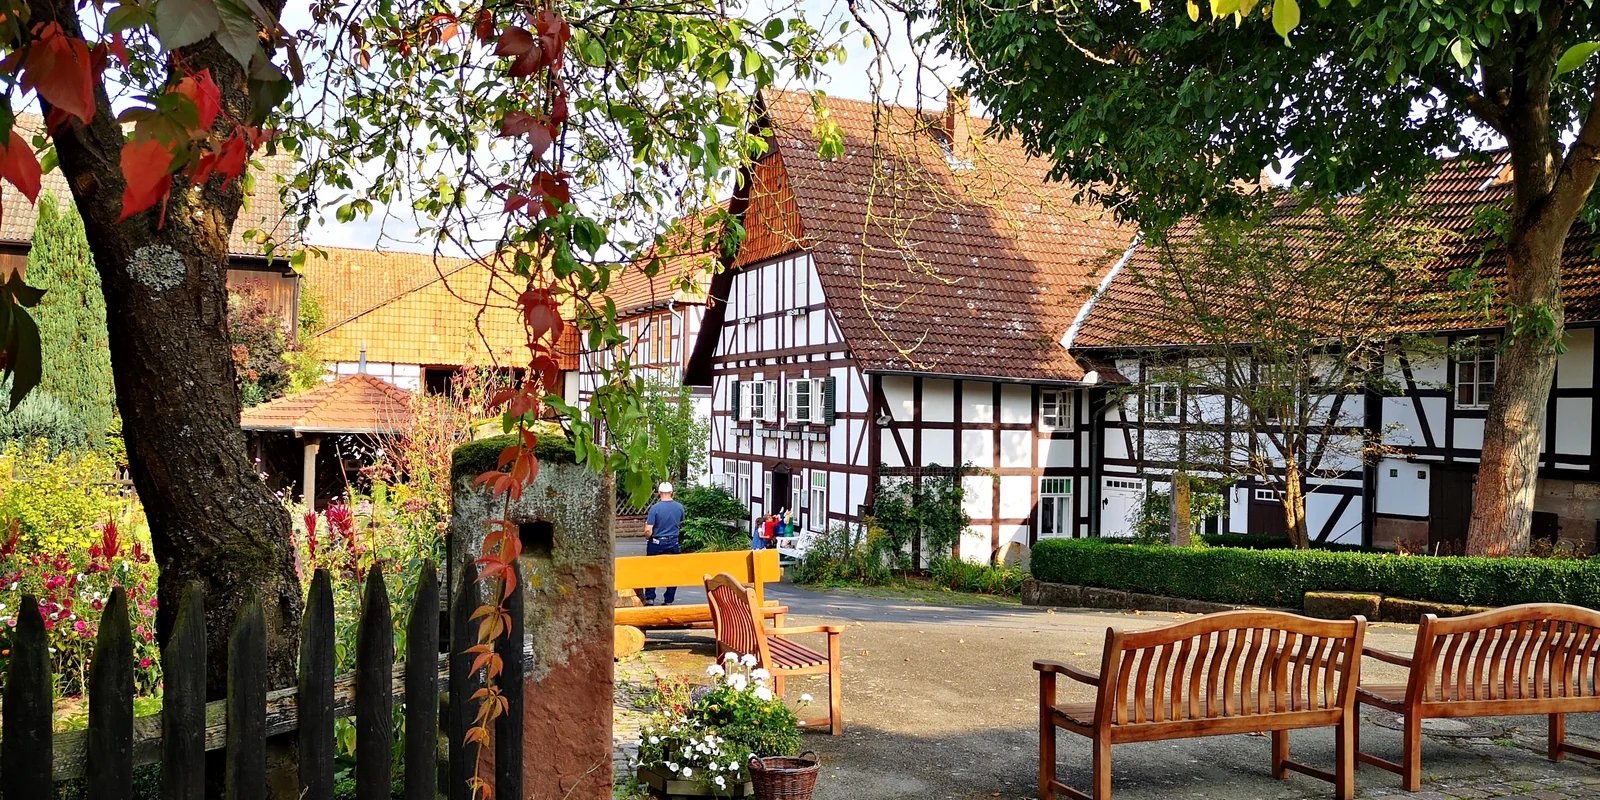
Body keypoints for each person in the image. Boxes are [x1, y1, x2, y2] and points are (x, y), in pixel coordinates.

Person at [643, 482, 687, 606]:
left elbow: (648, 530)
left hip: (657, 542)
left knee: (652, 569)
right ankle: (669, 599)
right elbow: (681, 522)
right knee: (672, 570)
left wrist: (648, 536)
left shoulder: (655, 508)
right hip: (673, 541)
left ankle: (650, 598)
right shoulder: (679, 507)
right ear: (672, 492)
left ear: (659, 493)